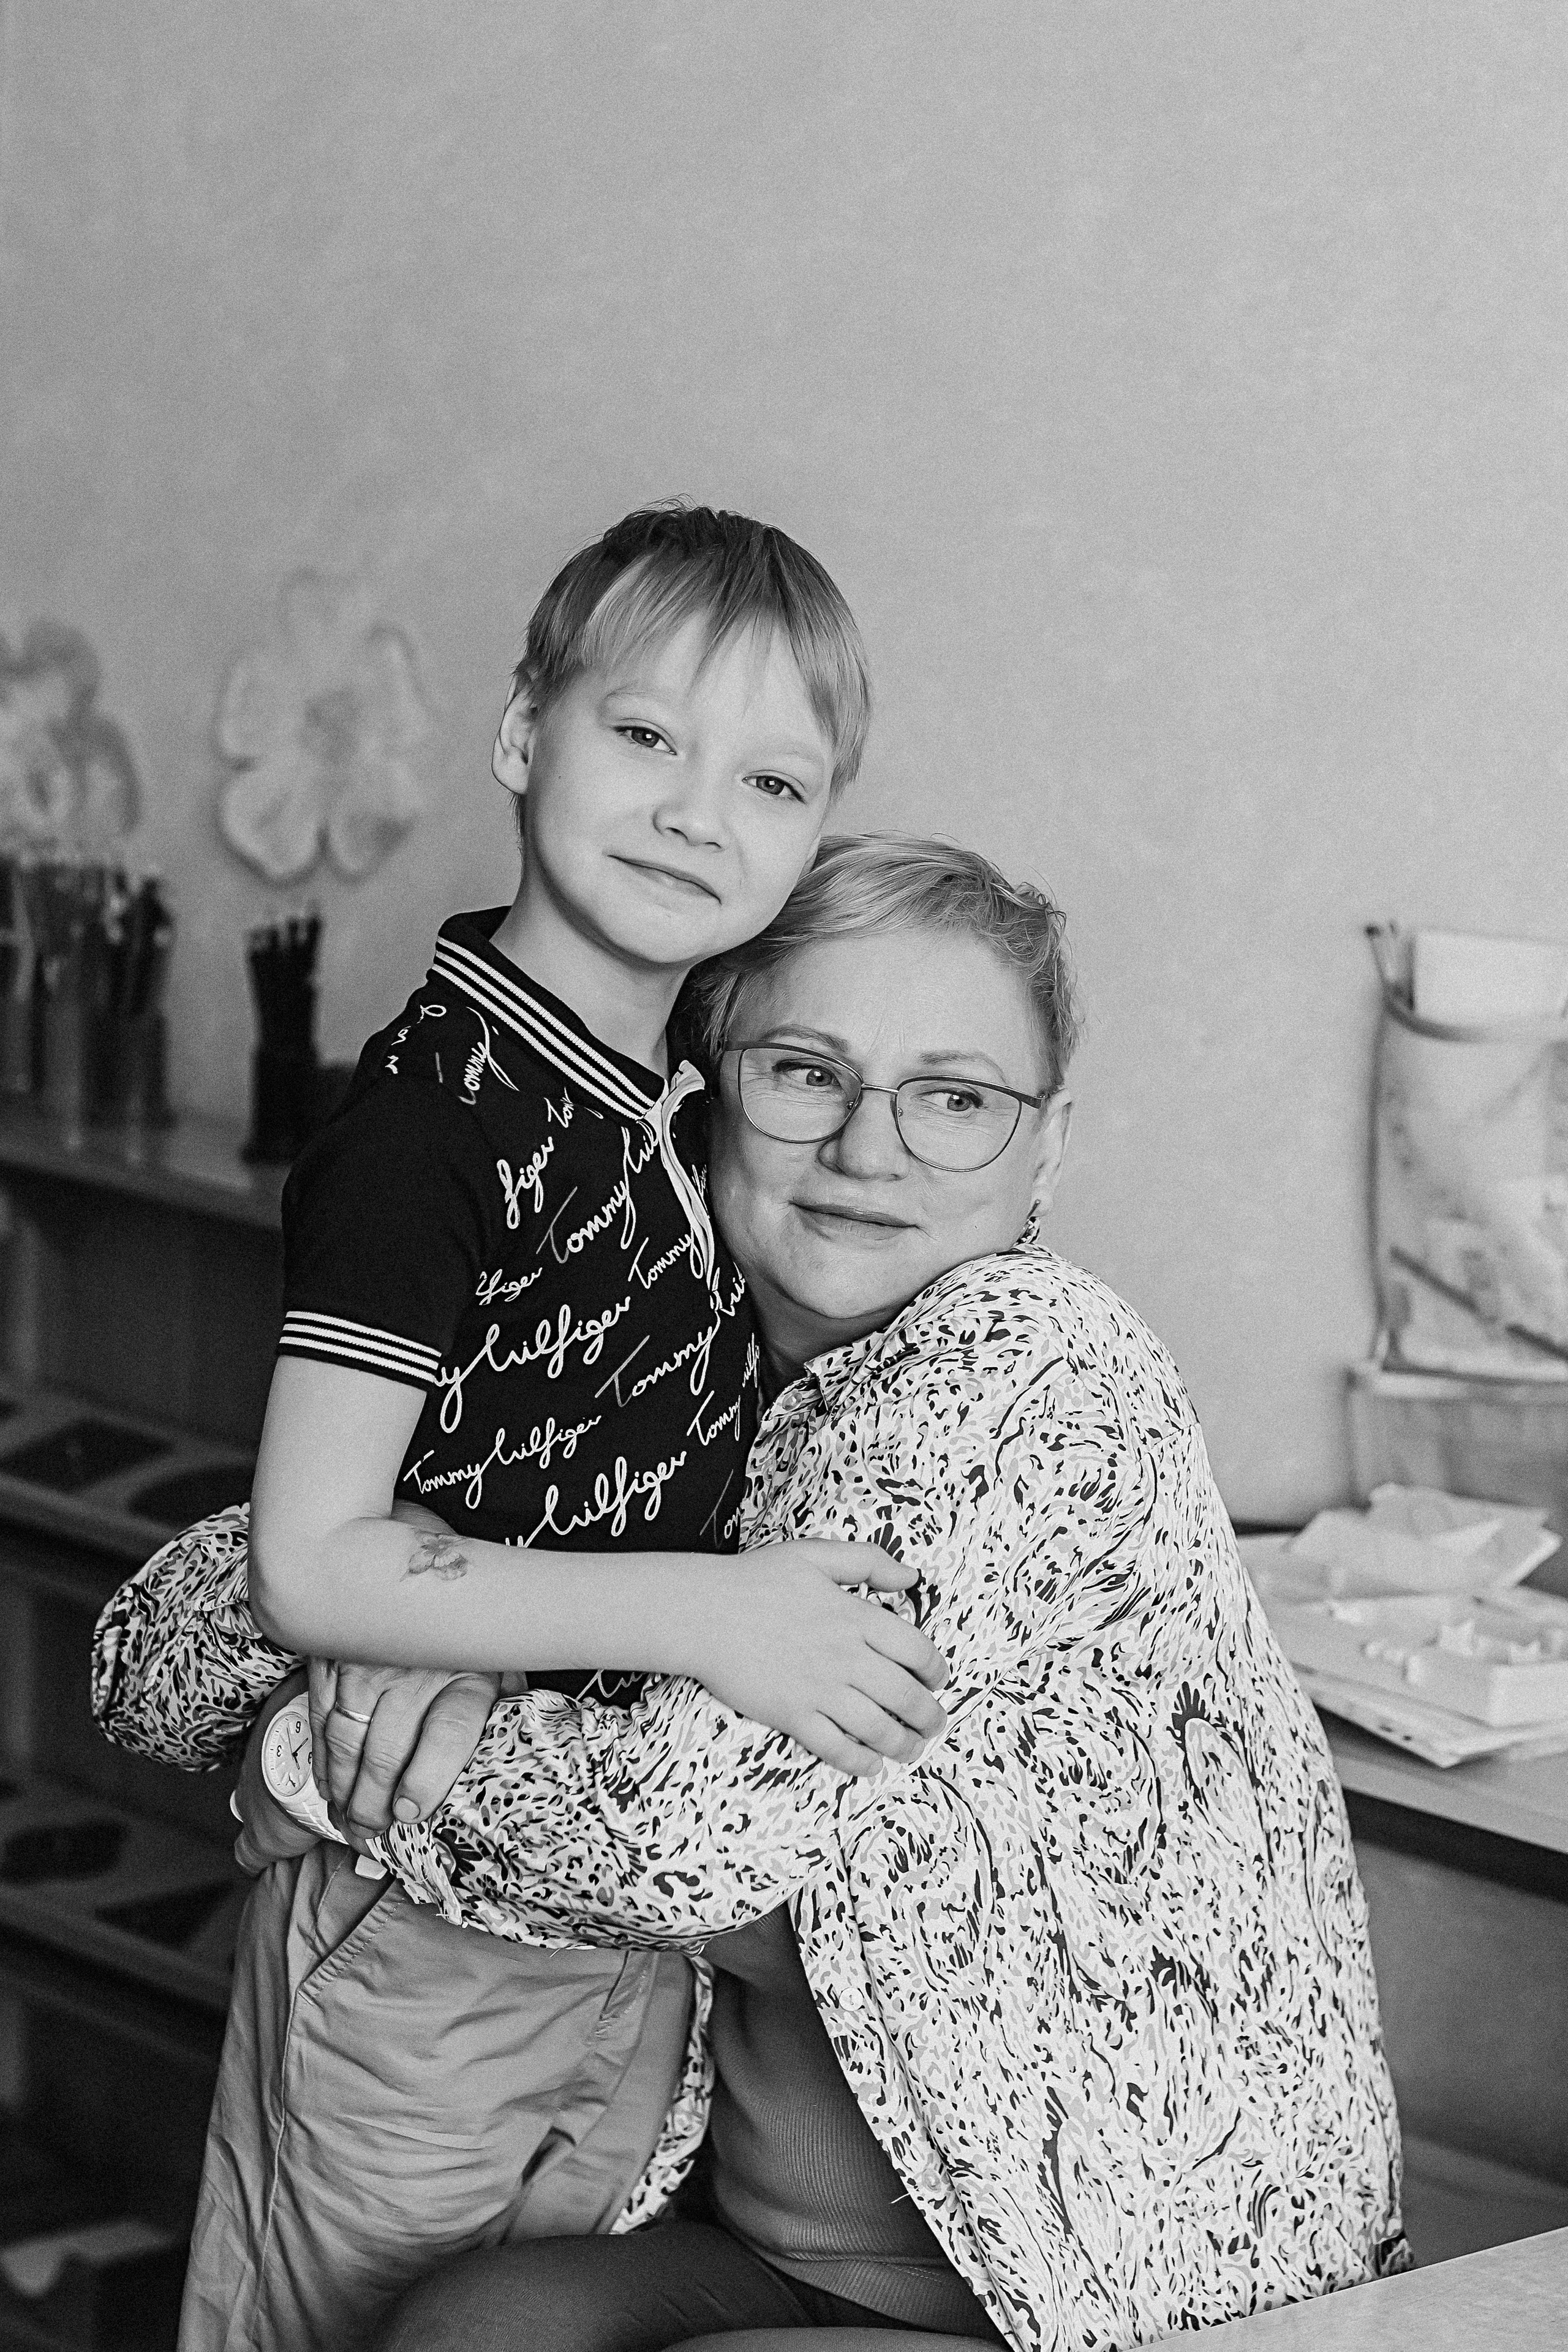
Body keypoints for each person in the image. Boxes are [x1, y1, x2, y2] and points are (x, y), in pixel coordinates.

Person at [96, 837, 1409, 2352]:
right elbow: (143, 1665)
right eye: (804, 1072)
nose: (869, 1148)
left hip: (1103, 2292)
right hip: (776, 2245)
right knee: (469, 2329)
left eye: (955, 1098)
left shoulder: (1030, 1365)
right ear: (701, 1096)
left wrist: (311, 1744)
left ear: (1045, 1149)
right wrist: (378, 1558)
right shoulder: (666, 1353)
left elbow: (674, 1841)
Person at [92, 524, 949, 2352]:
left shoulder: (679, 1104)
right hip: (417, 1925)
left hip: (613, 1927)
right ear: (518, 736)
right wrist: (715, 1616)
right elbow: (308, 1560)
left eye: (772, 781)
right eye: (645, 738)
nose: (697, 815)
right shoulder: (432, 1122)